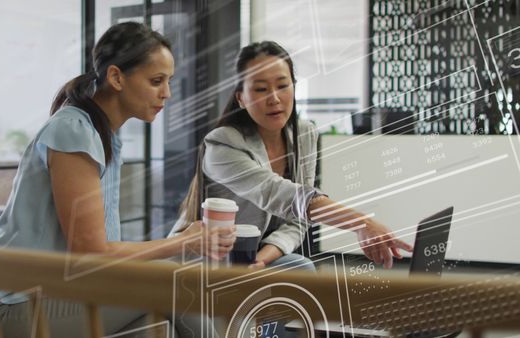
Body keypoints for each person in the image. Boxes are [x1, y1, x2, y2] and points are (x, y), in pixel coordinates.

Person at [0, 22, 234, 338]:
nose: (167, 93)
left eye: (168, 81)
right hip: (8, 308)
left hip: (49, 293)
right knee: (175, 282)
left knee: (147, 325)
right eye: (156, 81)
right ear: (116, 77)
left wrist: (182, 244)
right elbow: (91, 254)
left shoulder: (101, 134)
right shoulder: (74, 130)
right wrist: (182, 242)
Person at [172, 41, 412, 270]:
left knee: (299, 267)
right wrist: (362, 223)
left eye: (283, 85)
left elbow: (298, 220)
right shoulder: (222, 144)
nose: (274, 98)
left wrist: (261, 261)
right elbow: (280, 194)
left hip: (249, 259)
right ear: (241, 98)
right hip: (201, 265)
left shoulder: (303, 133)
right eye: (261, 89)